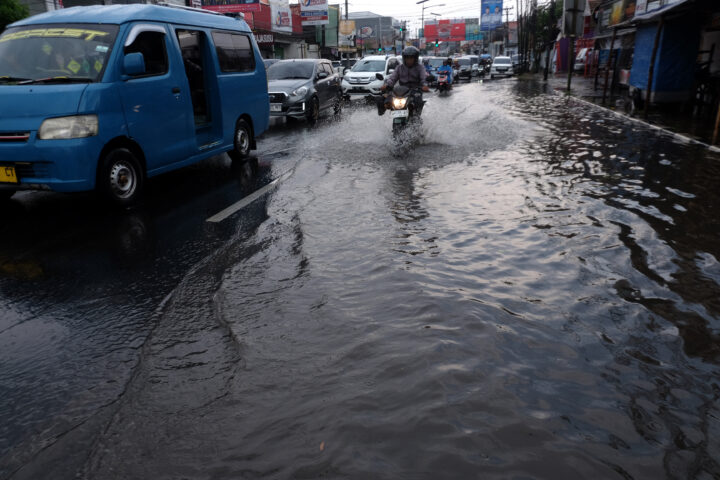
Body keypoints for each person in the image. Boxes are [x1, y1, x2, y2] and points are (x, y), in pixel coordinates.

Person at [377, 46, 429, 116]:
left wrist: (425, 85)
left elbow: (424, 78)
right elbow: (393, 78)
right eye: (407, 58)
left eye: (411, 58)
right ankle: (383, 112)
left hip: (415, 90)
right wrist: (387, 85)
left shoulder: (420, 68)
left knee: (418, 102)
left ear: (415, 58)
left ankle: (416, 118)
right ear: (404, 58)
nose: (409, 60)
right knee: (381, 99)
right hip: (401, 91)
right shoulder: (399, 68)